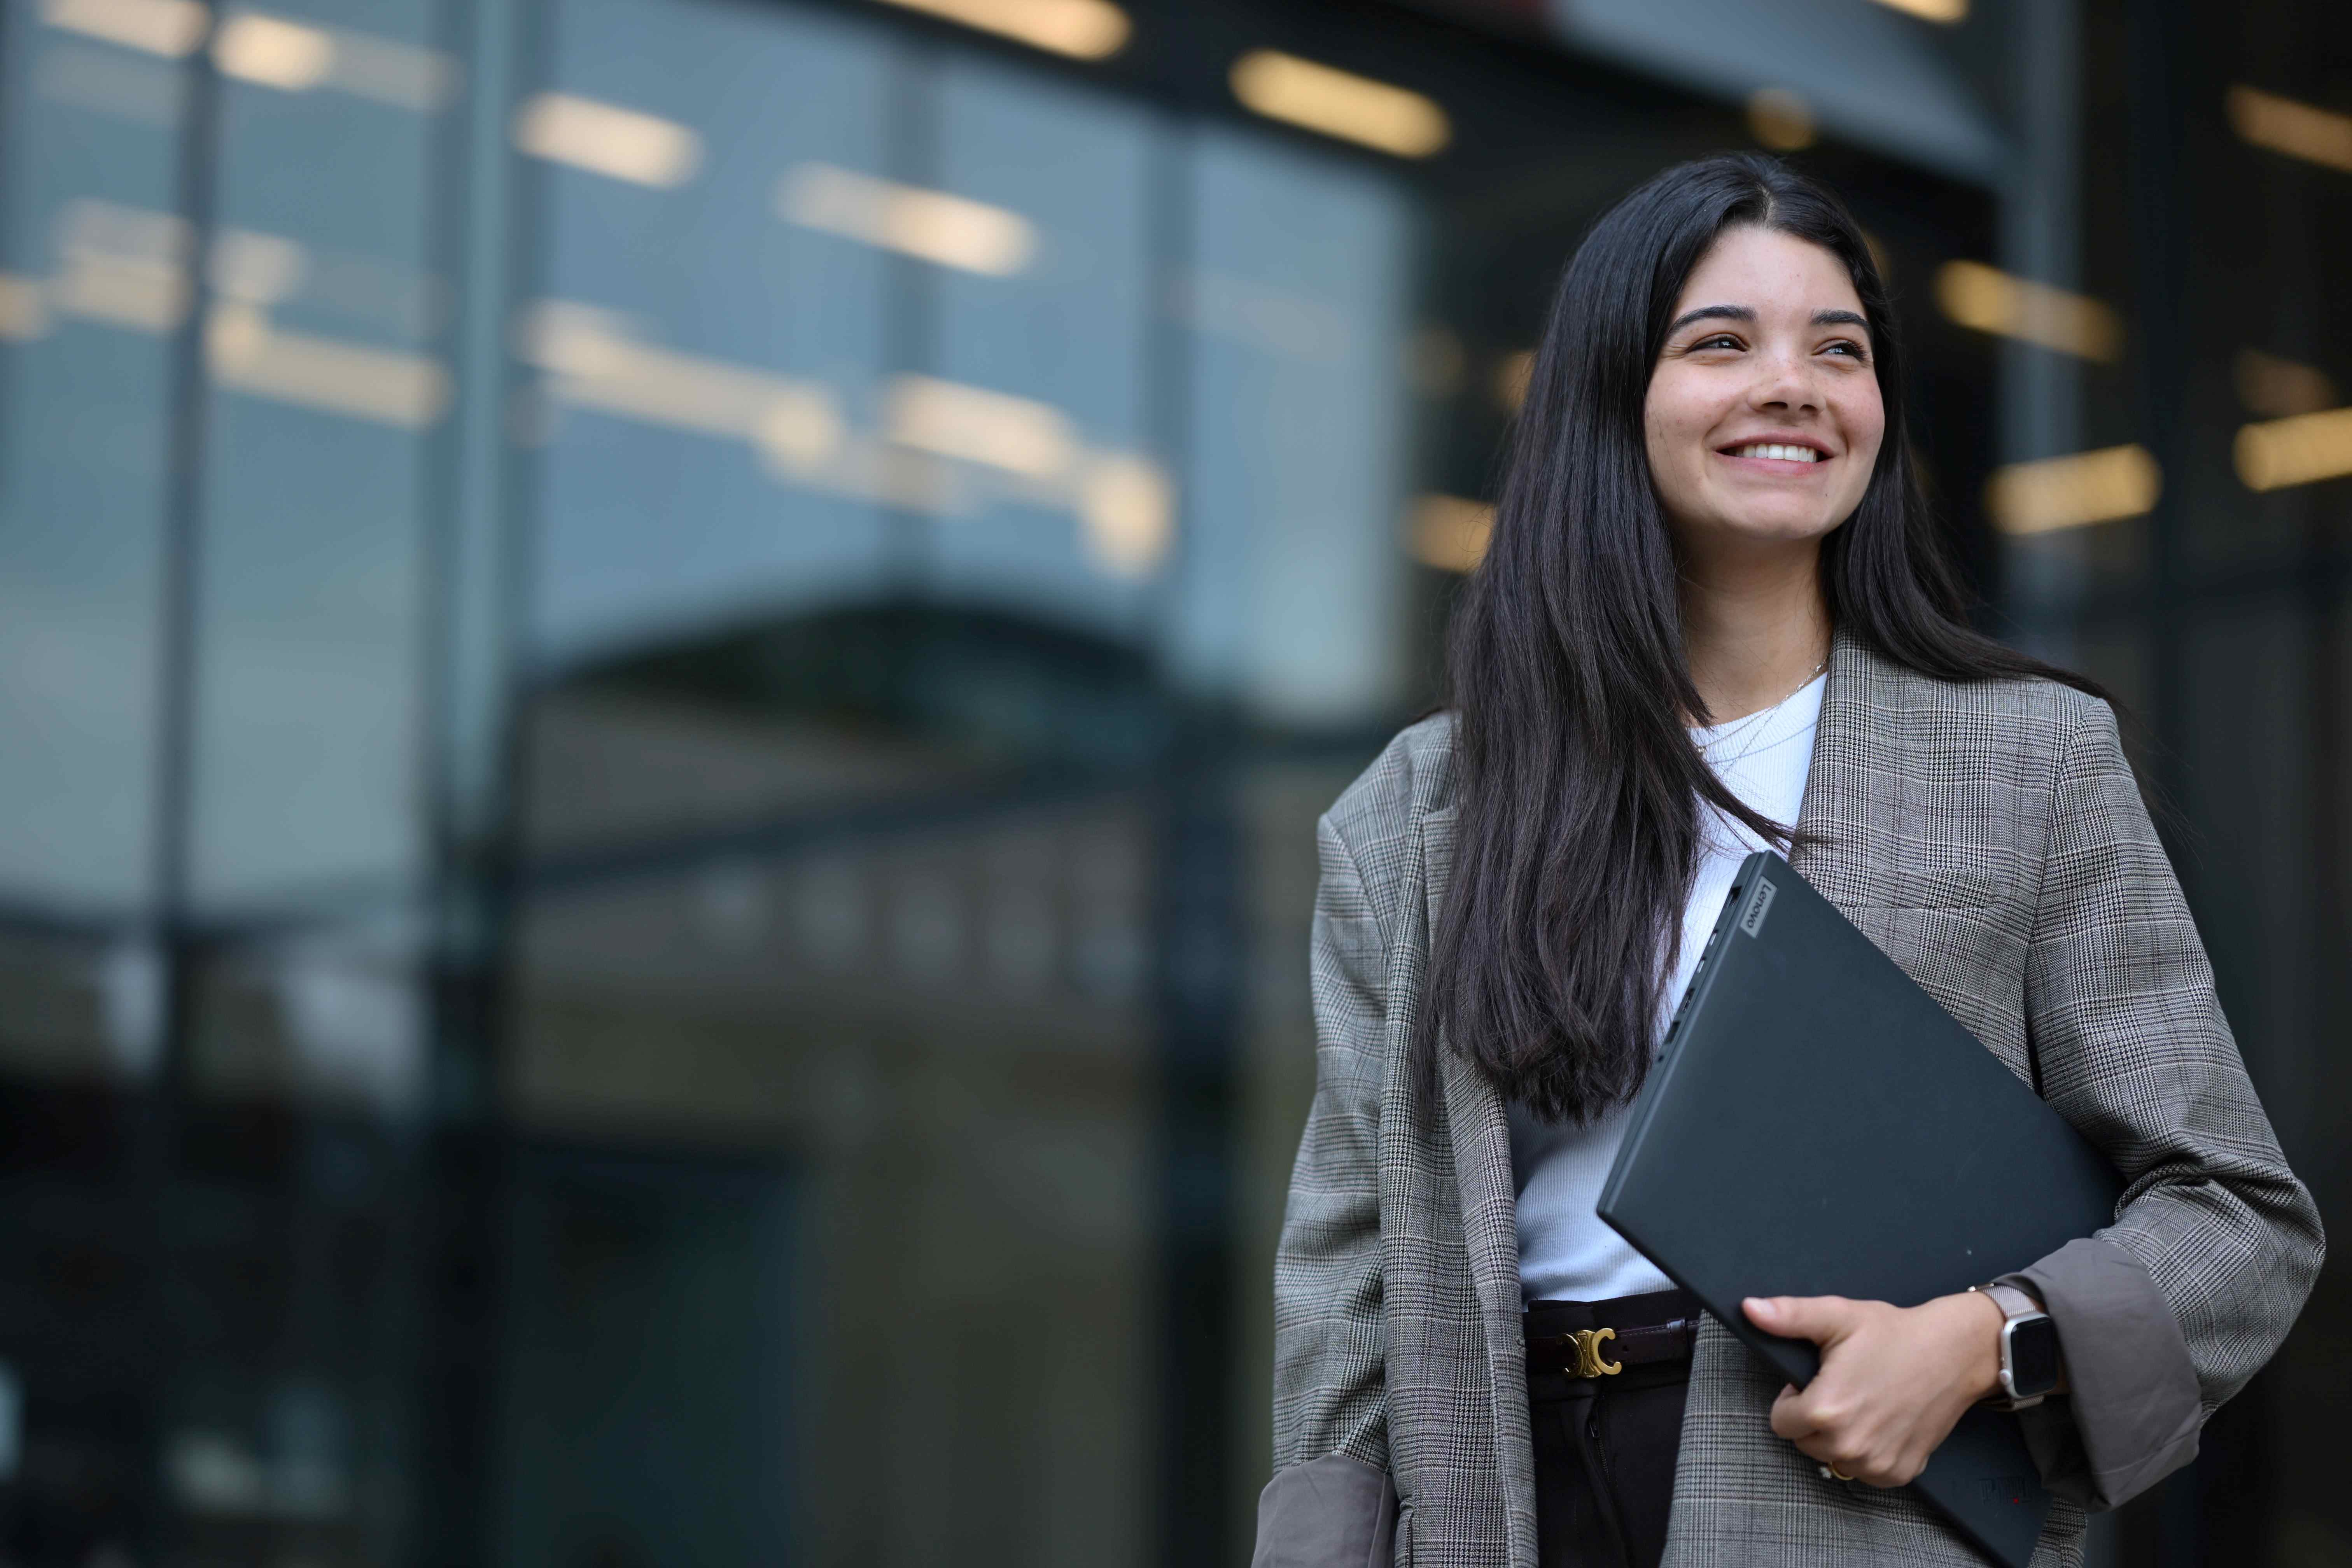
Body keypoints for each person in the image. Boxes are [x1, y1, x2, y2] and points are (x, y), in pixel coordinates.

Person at [1252, 154, 2322, 1568]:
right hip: (1497, 1503)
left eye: (1841, 350)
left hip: (1852, 1499)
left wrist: (1983, 1340)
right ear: (1608, 397)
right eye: (1722, 344)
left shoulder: (2030, 763)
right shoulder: (1419, 809)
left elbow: (2237, 1214)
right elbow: (1350, 1277)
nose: (1795, 385)